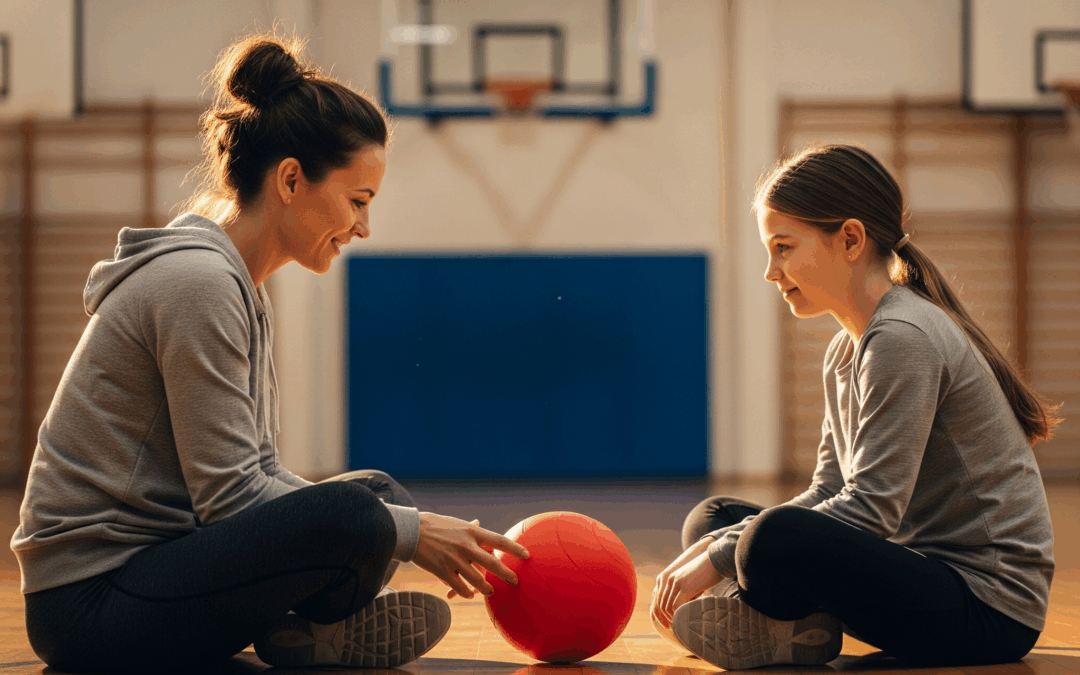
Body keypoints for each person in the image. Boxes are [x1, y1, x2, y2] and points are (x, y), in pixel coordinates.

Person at [10, 35, 528, 674]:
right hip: (89, 605)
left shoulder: (235, 284)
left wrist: (392, 520)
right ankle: (308, 627)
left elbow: (253, 472)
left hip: (157, 569)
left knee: (376, 494)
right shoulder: (198, 284)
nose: (363, 228)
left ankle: (303, 633)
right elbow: (230, 497)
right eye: (358, 201)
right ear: (290, 179)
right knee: (363, 515)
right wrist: (408, 531)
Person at [650, 144, 1061, 670]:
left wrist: (720, 556)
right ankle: (784, 629)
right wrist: (720, 544)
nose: (771, 271)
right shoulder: (846, 349)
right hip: (915, 572)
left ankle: (765, 619)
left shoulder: (902, 337)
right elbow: (828, 490)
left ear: (849, 239)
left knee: (764, 541)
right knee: (715, 518)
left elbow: (870, 508)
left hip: (988, 610)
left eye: (783, 247)